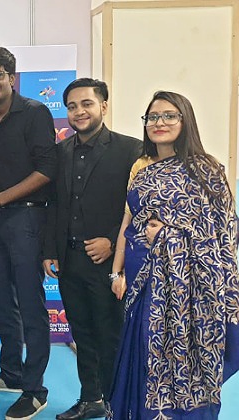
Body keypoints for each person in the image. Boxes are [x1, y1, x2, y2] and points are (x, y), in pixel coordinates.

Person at [108, 91, 239, 419]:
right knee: (144, 353)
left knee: (182, 361)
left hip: (189, 293)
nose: (159, 123)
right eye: (152, 117)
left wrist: (168, 236)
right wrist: (119, 270)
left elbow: (223, 234)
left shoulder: (207, 170)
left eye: (169, 115)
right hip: (145, 283)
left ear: (185, 120)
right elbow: (130, 223)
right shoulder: (143, 171)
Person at [42, 78, 142, 420]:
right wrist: (49, 250)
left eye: (86, 103)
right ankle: (90, 399)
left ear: (104, 106)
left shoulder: (131, 150)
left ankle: (117, 405)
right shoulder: (61, 152)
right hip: (69, 261)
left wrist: (113, 242)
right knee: (82, 334)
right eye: (72, 106)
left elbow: (139, 208)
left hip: (107, 263)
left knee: (110, 336)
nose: (79, 112)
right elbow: (54, 204)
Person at [0, 46, 56, 420]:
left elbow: (46, 170)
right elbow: (6, 173)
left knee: (31, 305)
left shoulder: (35, 112)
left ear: (11, 77)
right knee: (2, 300)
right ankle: (11, 372)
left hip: (28, 220)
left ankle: (35, 390)